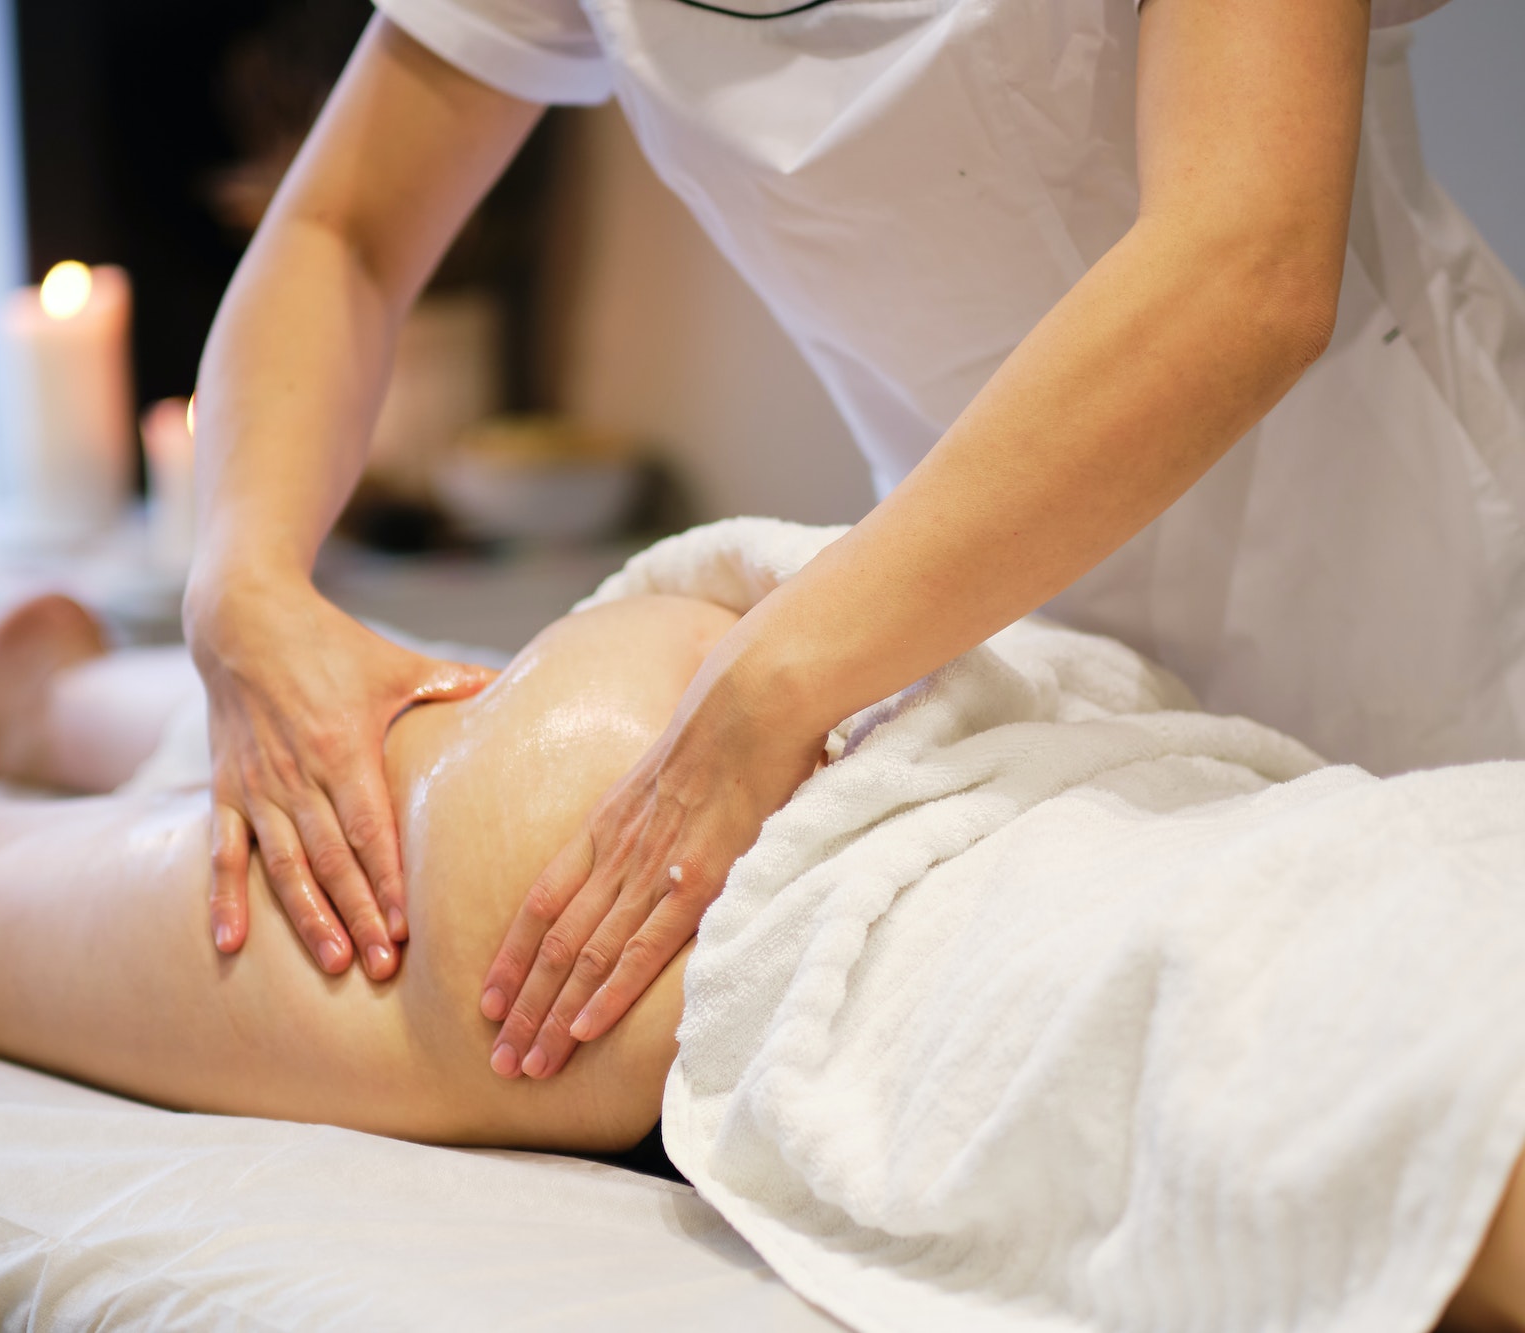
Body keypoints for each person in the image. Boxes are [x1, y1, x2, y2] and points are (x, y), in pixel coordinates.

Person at [0, 590, 1522, 1328]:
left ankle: (34, 688)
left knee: (9, 835)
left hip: (940, 686)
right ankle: (22, 710)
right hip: (664, 888)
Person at [182, 0, 1525, 1084]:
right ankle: (49, 700)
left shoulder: (772, 674)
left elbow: (1245, 260)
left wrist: (781, 675)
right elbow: (342, 233)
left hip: (1394, 614)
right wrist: (237, 579)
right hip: (981, 646)